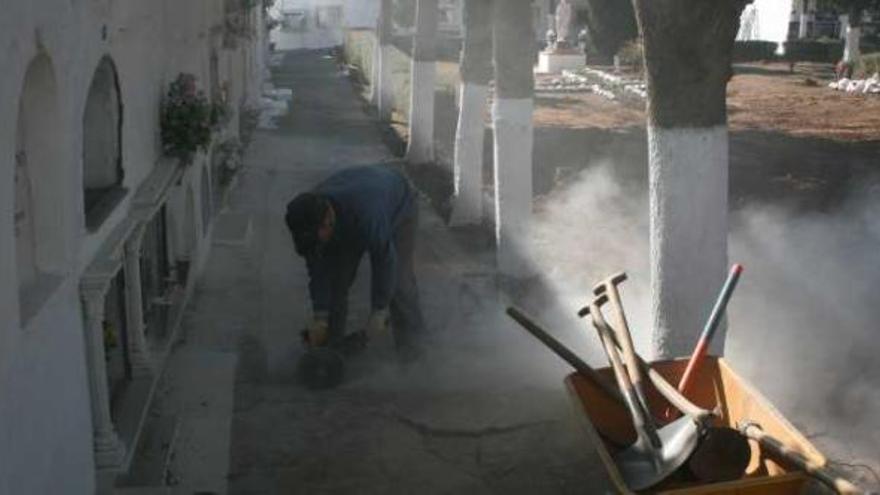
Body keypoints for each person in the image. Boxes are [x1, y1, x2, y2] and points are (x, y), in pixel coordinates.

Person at [285, 164, 425, 359]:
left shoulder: (368, 216)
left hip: (398, 206)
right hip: (356, 199)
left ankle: (413, 352)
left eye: (318, 240)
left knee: (399, 283)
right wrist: (320, 316)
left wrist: (379, 309)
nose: (315, 245)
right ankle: (331, 351)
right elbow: (318, 269)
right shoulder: (309, 216)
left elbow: (384, 261)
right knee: (337, 280)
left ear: (327, 222)